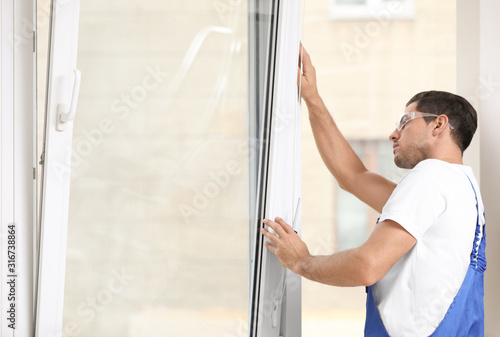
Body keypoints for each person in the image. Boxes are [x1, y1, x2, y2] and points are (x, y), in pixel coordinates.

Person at [260, 46, 486, 337]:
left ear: (439, 124)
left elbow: (367, 266)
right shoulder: (462, 189)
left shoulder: (431, 176)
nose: (393, 134)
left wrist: (301, 261)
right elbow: (354, 176)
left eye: (405, 121)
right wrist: (312, 99)